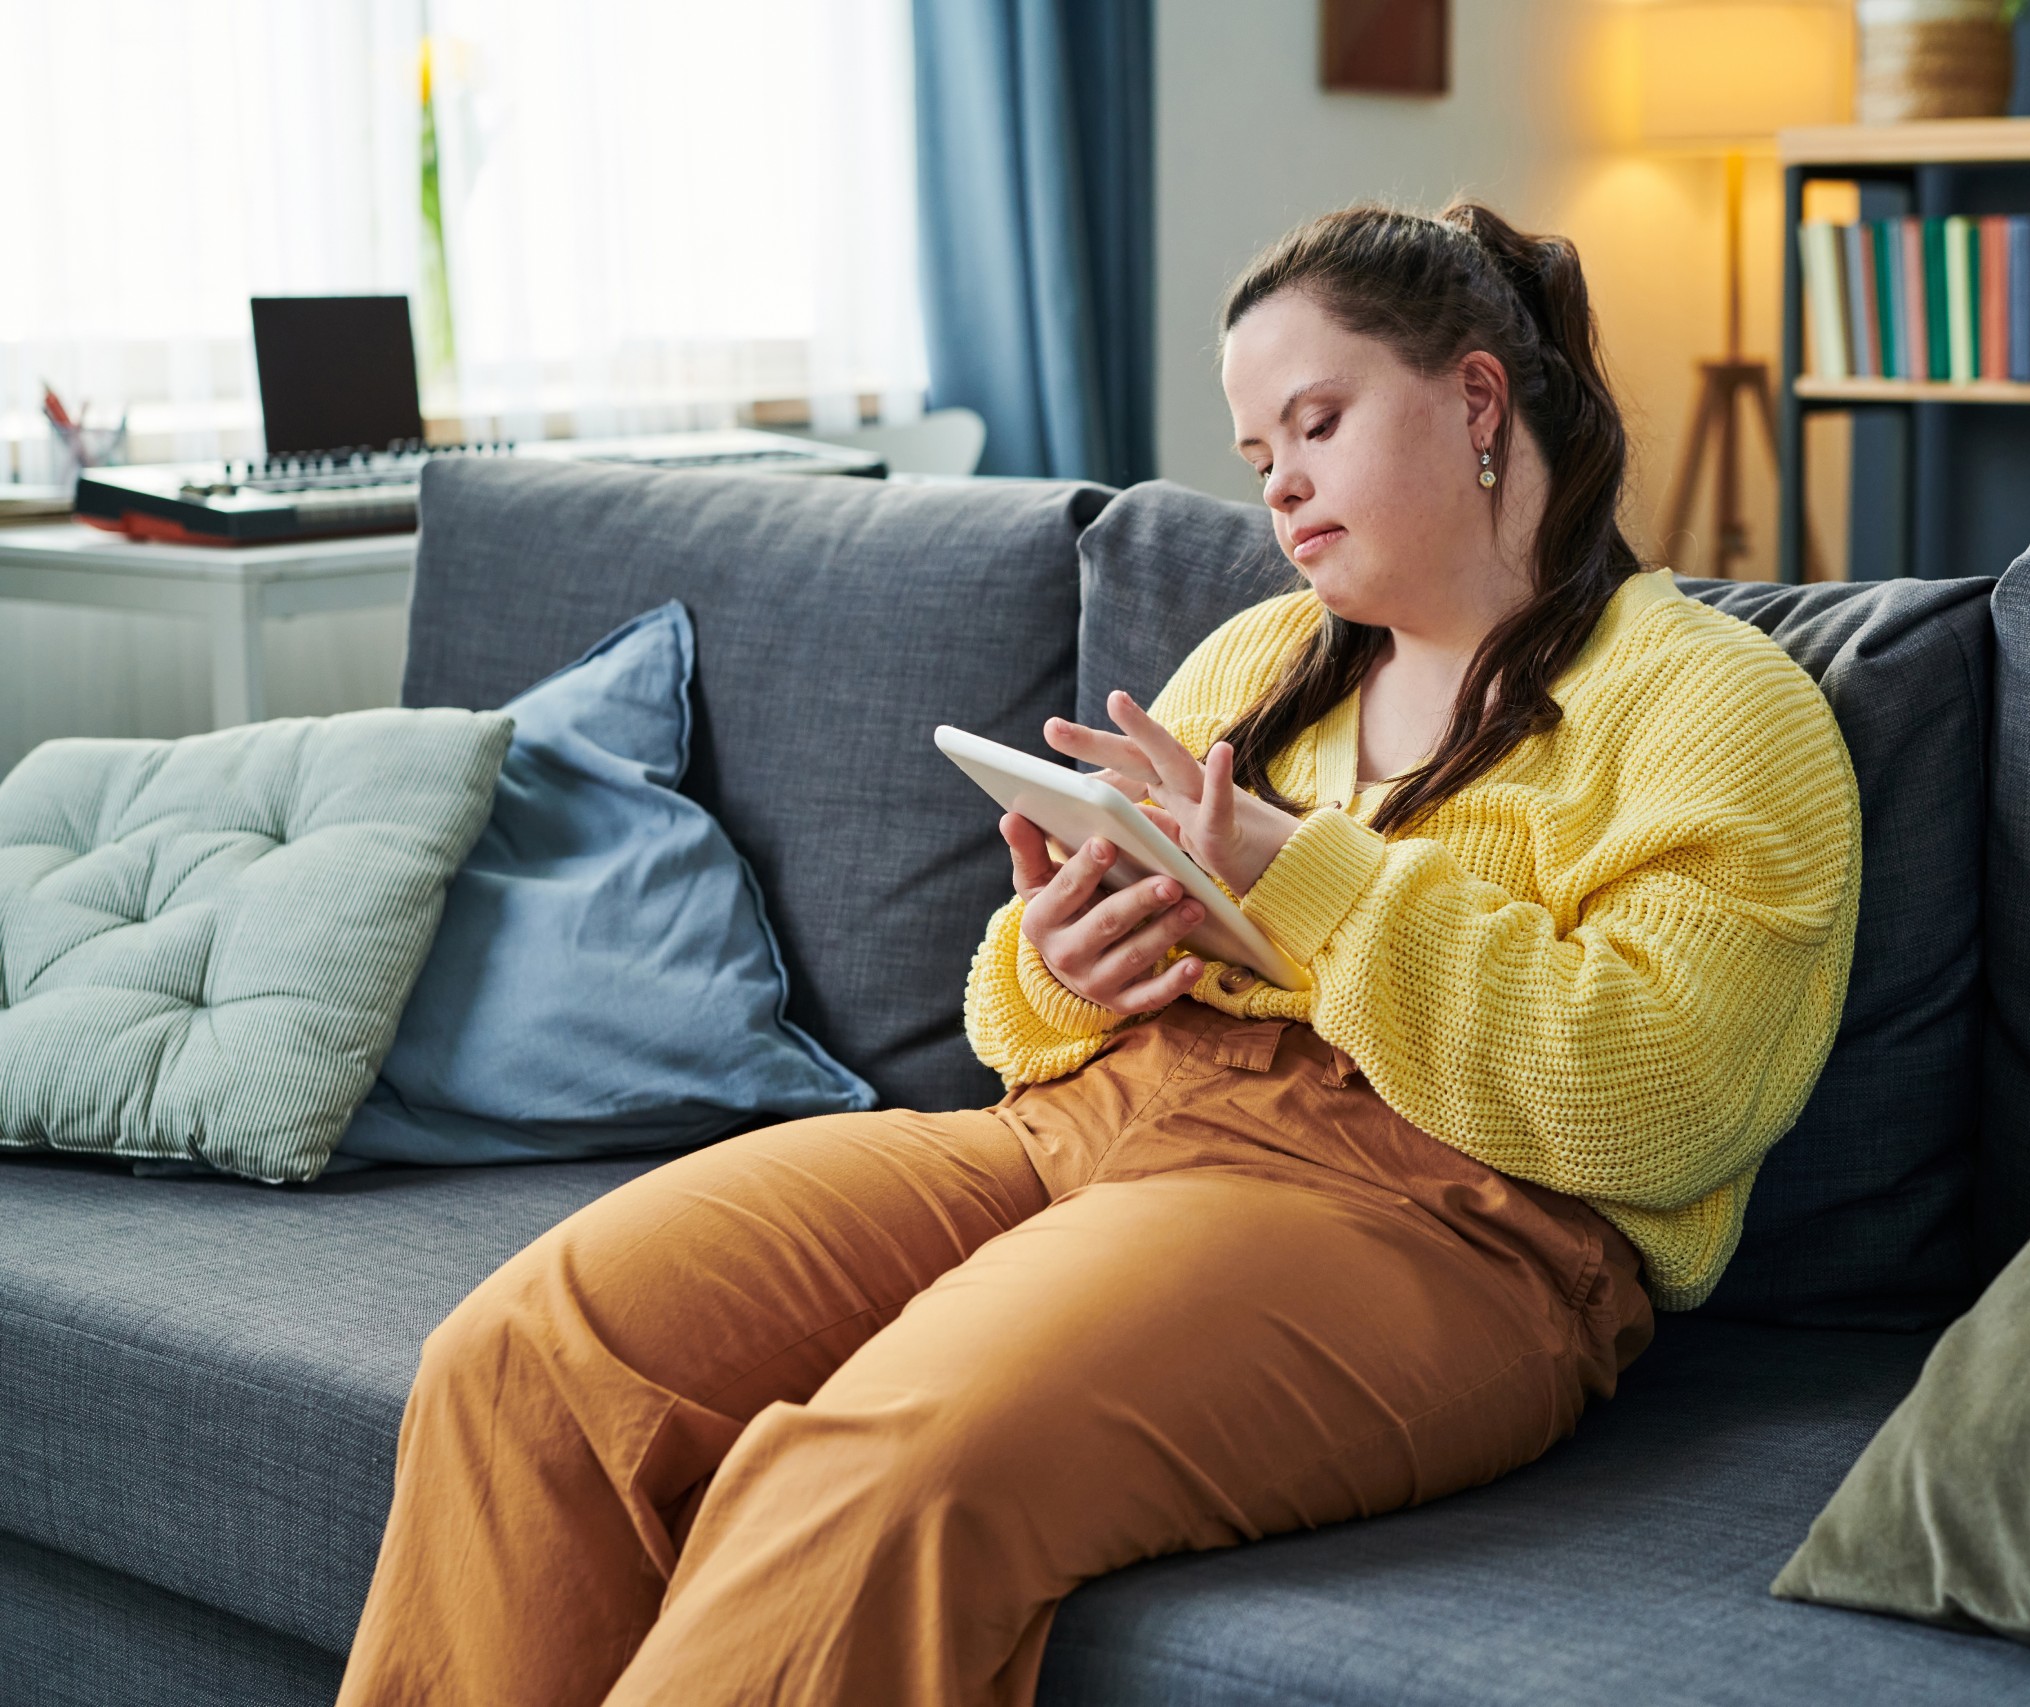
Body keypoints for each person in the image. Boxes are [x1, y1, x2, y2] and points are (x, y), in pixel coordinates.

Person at [337, 200, 1862, 1707]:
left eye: (1318, 424)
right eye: (1260, 456)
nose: (1283, 490)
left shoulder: (1715, 703)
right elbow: (1021, 1032)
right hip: (1086, 1132)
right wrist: (1064, 961)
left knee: (887, 1469)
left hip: (1432, 1217)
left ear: (1475, 397)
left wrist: (1308, 878)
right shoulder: (1264, 665)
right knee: (535, 1352)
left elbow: (1662, 1098)